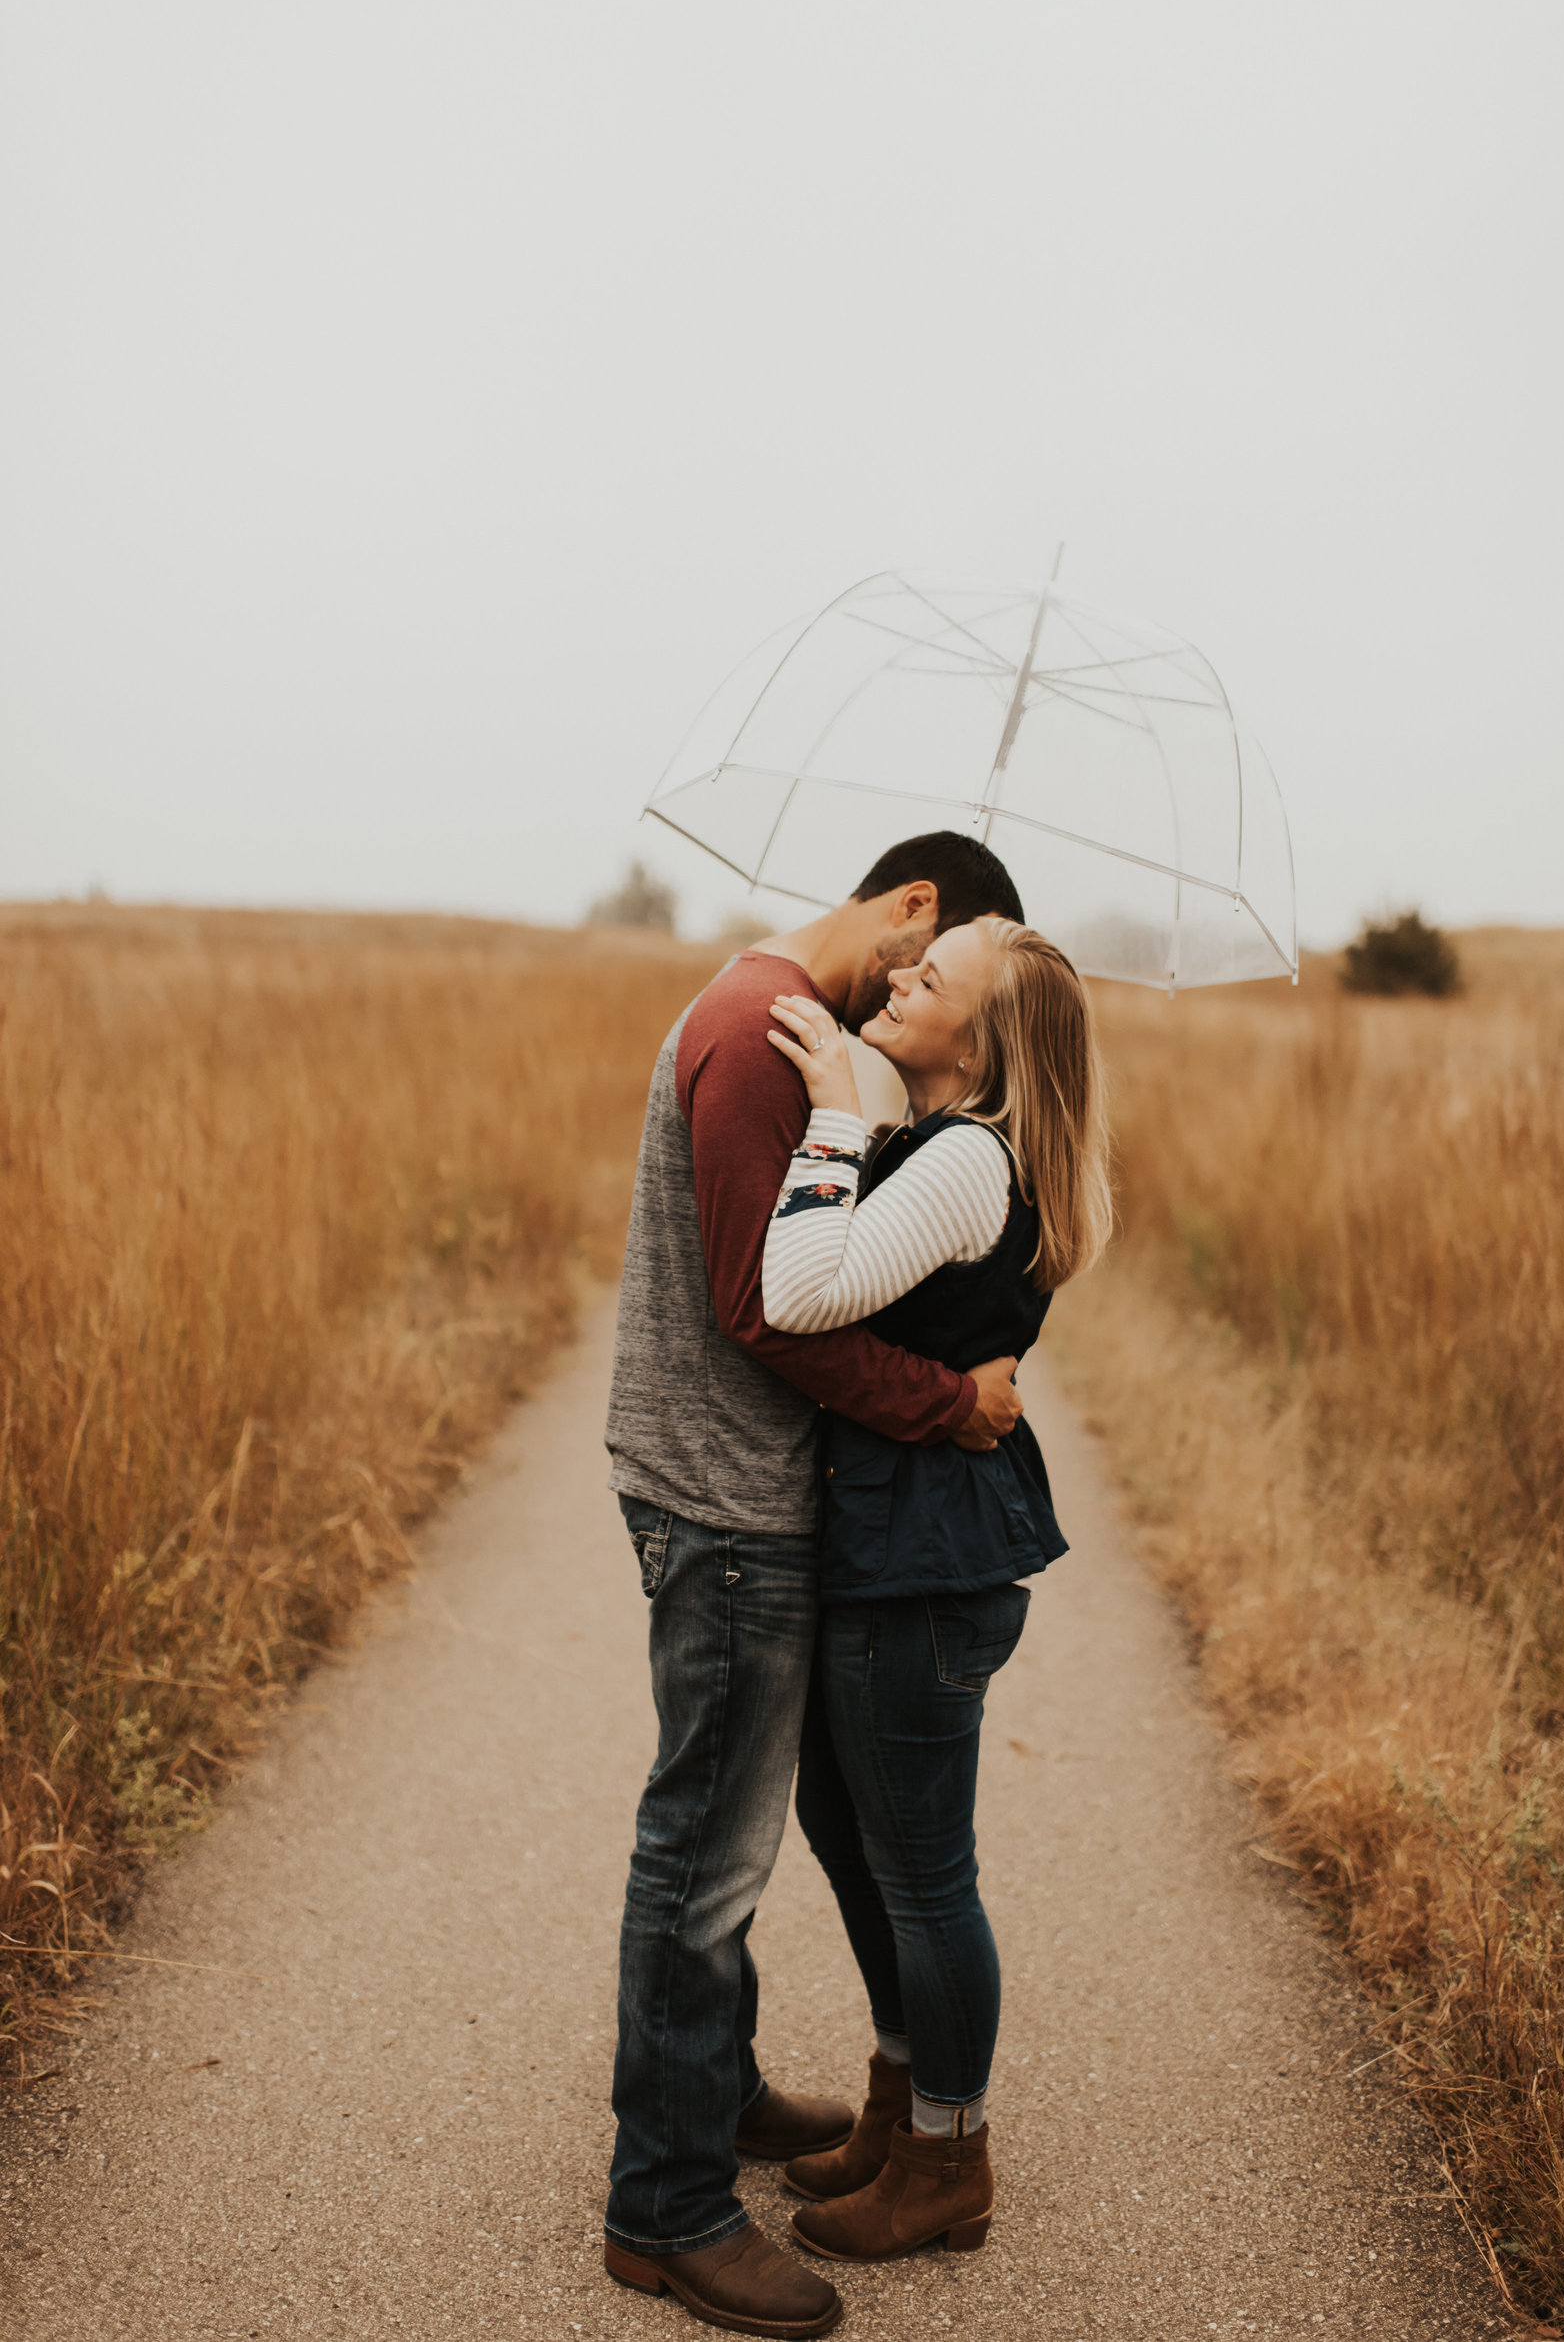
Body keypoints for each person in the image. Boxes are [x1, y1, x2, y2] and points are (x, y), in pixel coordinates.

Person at [602, 833, 1029, 2340]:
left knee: (728, 1835)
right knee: (705, 1857)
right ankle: (665, 2203)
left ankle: (710, 2095)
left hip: (741, 1494)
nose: (920, 984)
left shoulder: (802, 1034)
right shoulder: (754, 1030)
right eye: (935, 954)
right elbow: (763, 1307)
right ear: (915, 903)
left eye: (944, 986)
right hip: (722, 1501)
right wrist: (950, 1402)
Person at [756, 913, 1111, 2264]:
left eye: (935, 976)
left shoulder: (969, 1162)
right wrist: (860, 1092)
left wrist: (838, 1115)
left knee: (923, 1869)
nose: (900, 976)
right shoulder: (953, 1144)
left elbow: (800, 1289)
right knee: (852, 1829)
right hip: (903, 1538)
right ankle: (902, 2102)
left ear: (988, 1038)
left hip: (925, 1558)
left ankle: (948, 2158)